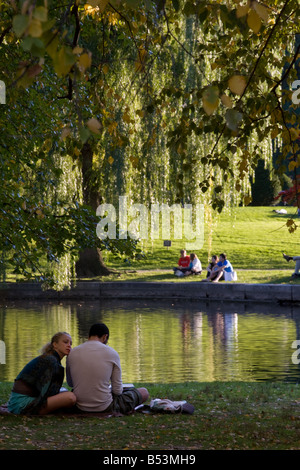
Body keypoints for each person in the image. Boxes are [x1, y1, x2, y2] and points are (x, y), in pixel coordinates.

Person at [66, 323, 149, 415]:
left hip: (79, 406)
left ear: (89, 335)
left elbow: (71, 383)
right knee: (144, 392)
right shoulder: (112, 353)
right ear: (105, 337)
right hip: (105, 407)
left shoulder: (72, 353)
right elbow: (117, 391)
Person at [7, 332, 76, 415]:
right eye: (65, 342)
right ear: (55, 344)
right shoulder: (50, 361)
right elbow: (47, 393)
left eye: (70, 343)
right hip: (22, 404)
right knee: (70, 397)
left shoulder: (52, 358)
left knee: (65, 392)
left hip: (21, 401)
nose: (69, 345)